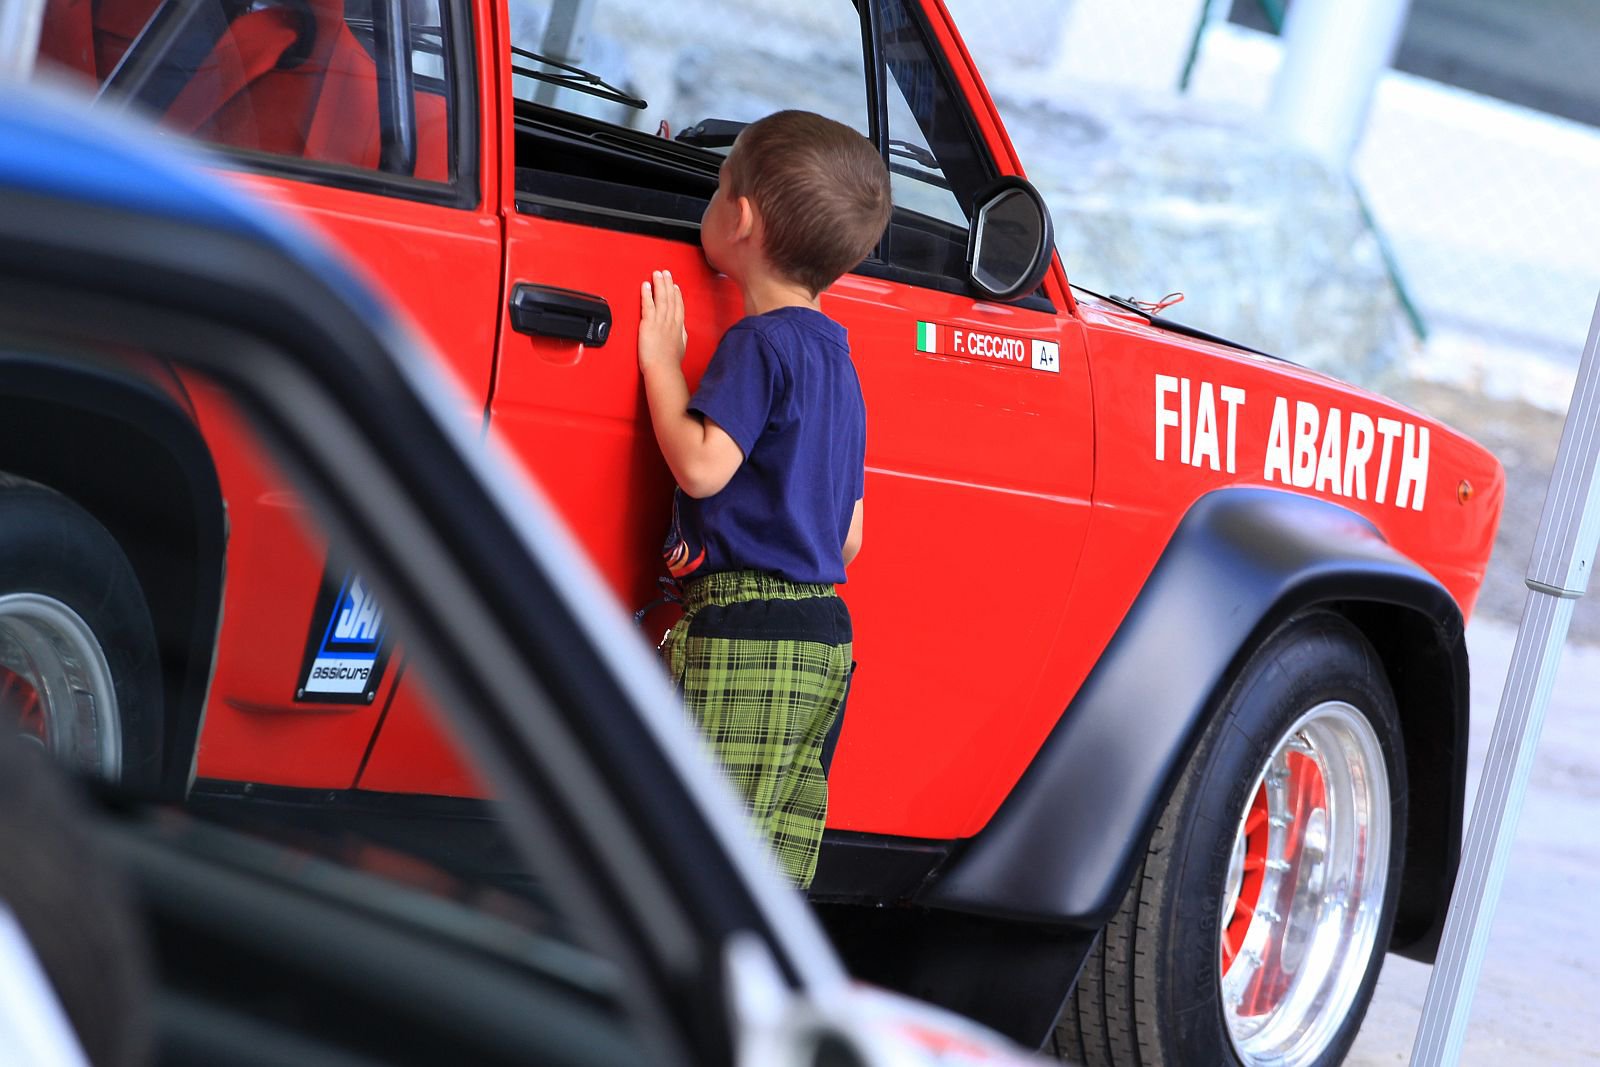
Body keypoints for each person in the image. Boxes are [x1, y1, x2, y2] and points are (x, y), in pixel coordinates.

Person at [636, 110, 891, 889]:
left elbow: (704, 468)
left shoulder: (758, 343)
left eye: (717, 187)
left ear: (739, 219)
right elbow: (848, 536)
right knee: (772, 857)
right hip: (825, 638)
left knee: (698, 851)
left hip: (749, 629)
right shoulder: (839, 361)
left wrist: (661, 364)